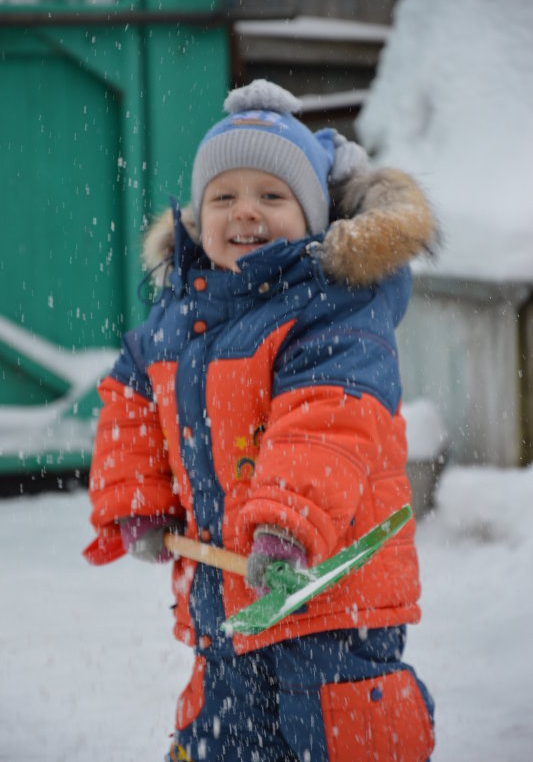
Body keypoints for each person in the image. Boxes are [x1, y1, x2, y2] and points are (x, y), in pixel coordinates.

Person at [84, 79, 436, 762]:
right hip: (227, 597)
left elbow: (328, 417)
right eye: (224, 197)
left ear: (308, 215)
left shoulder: (333, 310)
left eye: (271, 196)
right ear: (196, 217)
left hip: (331, 594)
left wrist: (286, 522)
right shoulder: (176, 320)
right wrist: (139, 499)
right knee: (225, 733)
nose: (245, 211)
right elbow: (128, 397)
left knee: (336, 732)